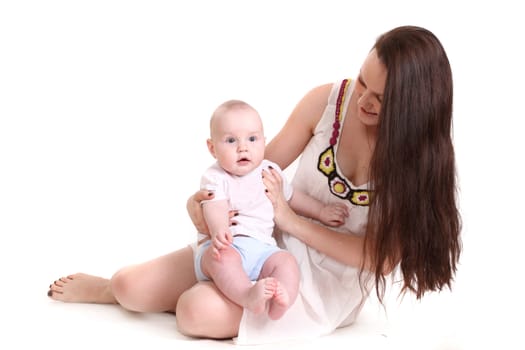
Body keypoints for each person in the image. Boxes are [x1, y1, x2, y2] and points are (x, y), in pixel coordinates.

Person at [48, 25, 461, 344]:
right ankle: (112, 291)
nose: (363, 100)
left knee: (193, 312)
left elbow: (380, 258)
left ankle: (214, 293)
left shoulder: (417, 162)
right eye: (363, 81)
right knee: (128, 286)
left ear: (412, 108)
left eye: (381, 98)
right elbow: (261, 166)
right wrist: (205, 205)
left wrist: (293, 220)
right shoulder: (330, 102)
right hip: (259, 239)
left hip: (320, 285)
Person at [194, 99, 348, 320]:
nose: (243, 147)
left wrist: (321, 211)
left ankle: (281, 298)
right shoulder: (216, 177)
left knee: (286, 262)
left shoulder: (269, 171)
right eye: (230, 140)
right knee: (220, 258)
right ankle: (247, 294)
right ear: (212, 148)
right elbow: (214, 205)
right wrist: (219, 230)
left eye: (252, 139)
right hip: (230, 244)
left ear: (264, 142)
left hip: (263, 250)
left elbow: (292, 196)